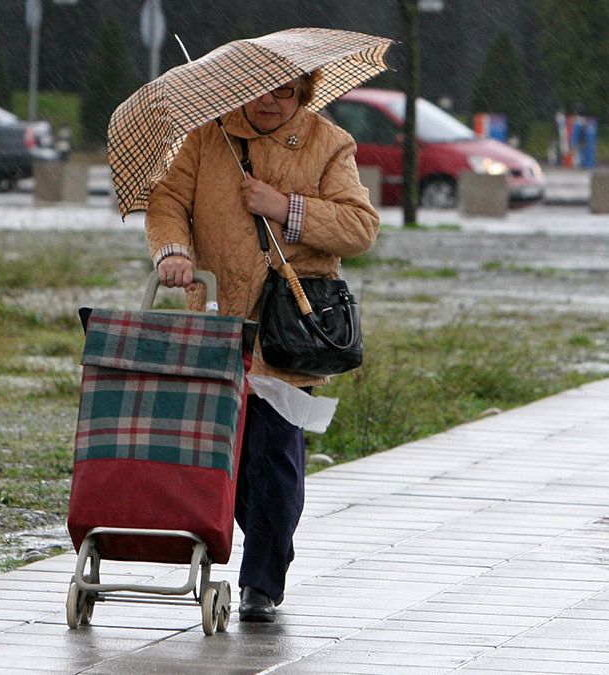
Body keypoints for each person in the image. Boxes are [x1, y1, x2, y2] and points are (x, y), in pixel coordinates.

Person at [144, 69, 378, 622]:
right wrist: (172, 251)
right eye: (262, 89)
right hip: (217, 318)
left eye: (287, 92)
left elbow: (360, 228)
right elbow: (167, 201)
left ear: (303, 93)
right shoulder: (205, 136)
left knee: (273, 459)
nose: (273, 102)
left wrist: (284, 206)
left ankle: (262, 583)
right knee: (228, 455)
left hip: (286, 329)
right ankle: (264, 546)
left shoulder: (328, 143)